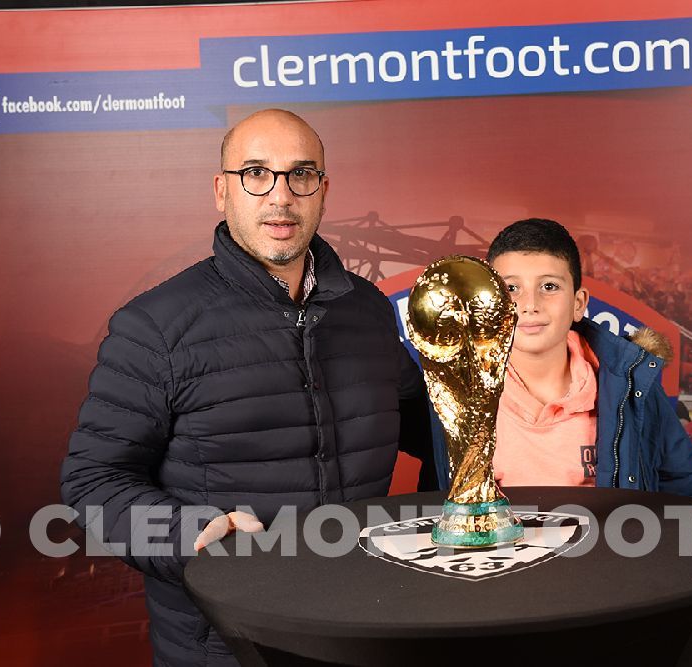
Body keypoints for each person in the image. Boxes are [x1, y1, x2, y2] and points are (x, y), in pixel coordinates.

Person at [60, 109, 434, 667]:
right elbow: (93, 480)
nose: (280, 196)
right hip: (227, 644)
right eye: (256, 173)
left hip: (363, 629)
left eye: (300, 174)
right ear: (221, 191)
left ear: (323, 190)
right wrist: (191, 534)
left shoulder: (367, 310)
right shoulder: (155, 327)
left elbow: (430, 428)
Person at [480, 218, 692, 498]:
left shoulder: (631, 384)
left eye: (549, 286)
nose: (530, 305)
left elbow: (685, 490)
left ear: (579, 304)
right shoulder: (453, 391)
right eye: (511, 288)